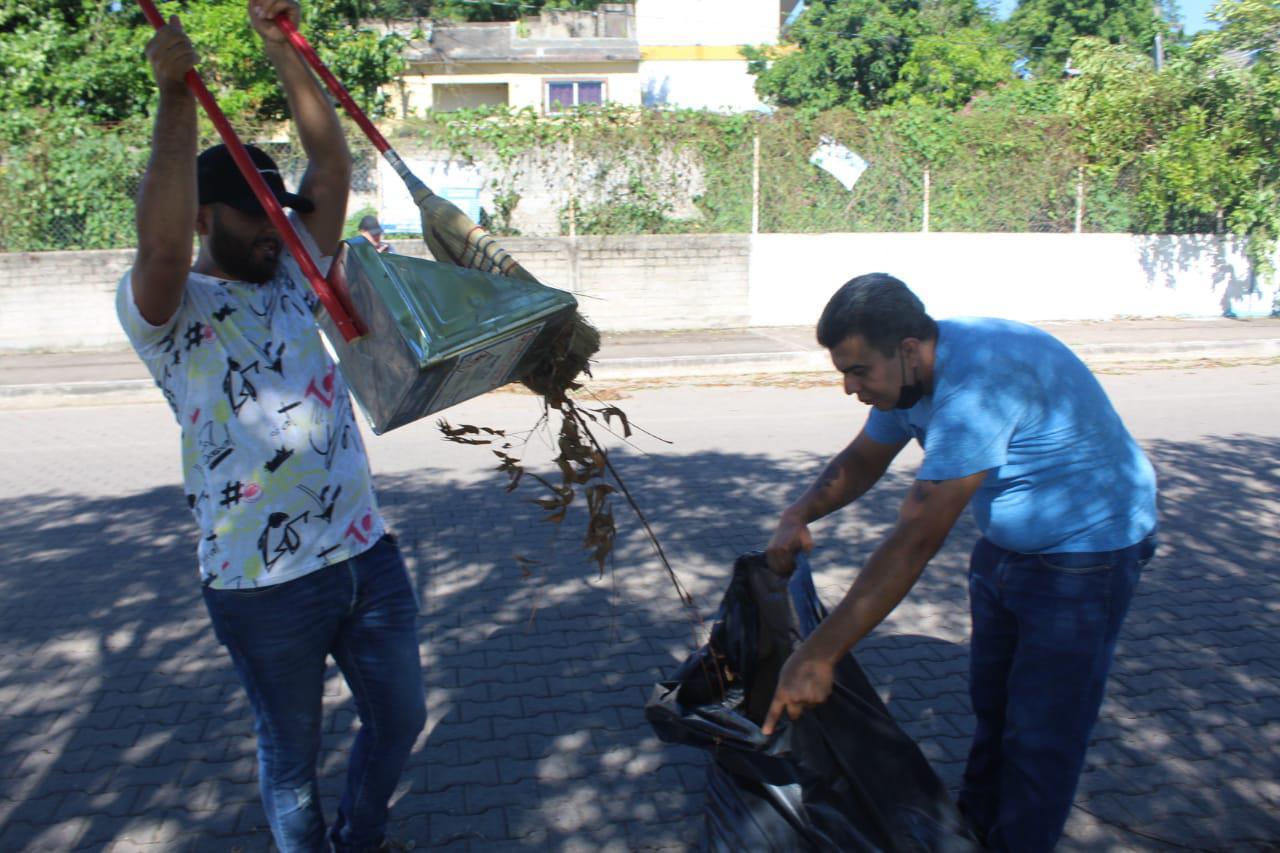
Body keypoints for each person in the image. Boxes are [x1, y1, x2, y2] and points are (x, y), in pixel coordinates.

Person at [117, 4, 425, 851]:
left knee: (402, 717)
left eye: (275, 208)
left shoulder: (290, 268)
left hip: (366, 554)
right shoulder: (169, 309)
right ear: (208, 217)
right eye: (251, 211)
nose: (274, 225)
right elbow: (163, 249)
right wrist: (175, 99)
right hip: (263, 583)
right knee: (291, 758)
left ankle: (361, 836)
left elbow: (329, 162)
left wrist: (280, 46)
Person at [761, 273, 1157, 852]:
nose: (849, 388)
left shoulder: (977, 385)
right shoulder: (908, 379)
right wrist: (799, 513)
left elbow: (916, 538)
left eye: (858, 371)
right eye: (843, 372)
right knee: (994, 709)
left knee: (1042, 734)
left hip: (1089, 554)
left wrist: (820, 653)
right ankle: (971, 832)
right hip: (1008, 547)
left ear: (908, 350)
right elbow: (866, 458)